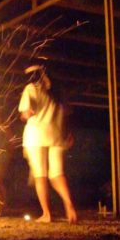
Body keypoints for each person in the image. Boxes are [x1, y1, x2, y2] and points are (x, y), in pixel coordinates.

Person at [18, 65, 77, 223]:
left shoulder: (31, 88)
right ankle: (69, 205)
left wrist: (26, 115)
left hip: (36, 135)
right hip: (56, 135)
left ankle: (46, 214)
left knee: (40, 175)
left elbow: (25, 113)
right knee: (57, 174)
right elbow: (67, 115)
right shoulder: (59, 92)